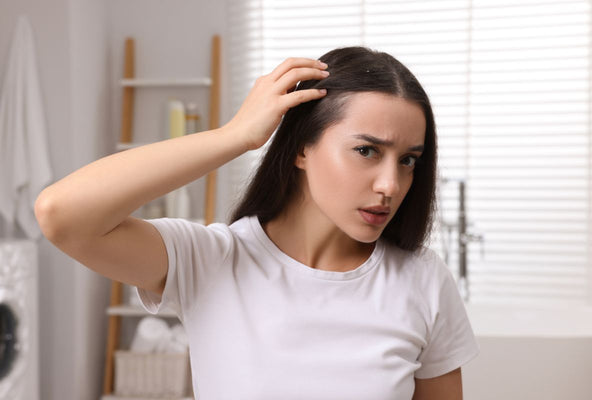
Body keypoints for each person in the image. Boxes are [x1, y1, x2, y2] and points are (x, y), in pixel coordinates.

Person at [35, 46, 479, 400]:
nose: (391, 184)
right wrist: (236, 136)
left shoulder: (423, 281)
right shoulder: (210, 260)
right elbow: (61, 214)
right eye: (367, 150)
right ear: (302, 148)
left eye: (408, 161)